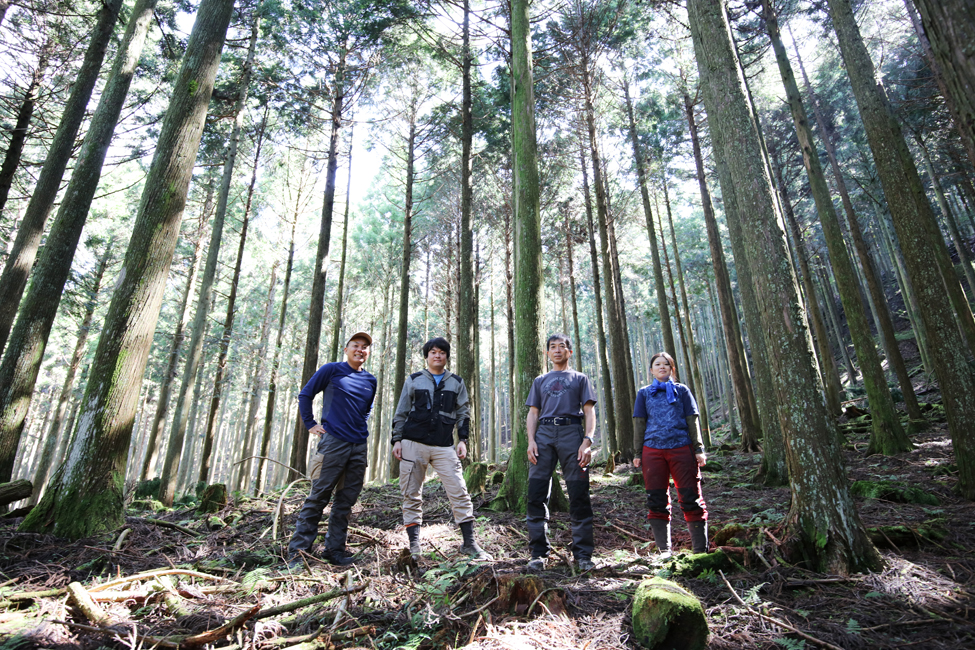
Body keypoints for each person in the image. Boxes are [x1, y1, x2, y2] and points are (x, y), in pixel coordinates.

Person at [392, 337, 491, 561]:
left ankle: (469, 543)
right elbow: (401, 412)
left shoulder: (456, 382)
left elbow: (463, 413)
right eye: (433, 352)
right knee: (411, 493)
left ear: (447, 356)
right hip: (412, 443)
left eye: (442, 352)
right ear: (426, 356)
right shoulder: (414, 380)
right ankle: (415, 545)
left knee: (459, 490)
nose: (438, 356)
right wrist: (396, 440)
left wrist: (463, 440)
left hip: (444, 445)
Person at [287, 332, 377, 567]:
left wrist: (358, 425)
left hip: (358, 445)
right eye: (356, 345)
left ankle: (334, 550)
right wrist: (311, 424)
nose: (360, 349)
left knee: (345, 501)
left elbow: (366, 409)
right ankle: (298, 553)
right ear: (346, 349)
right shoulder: (331, 369)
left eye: (365, 347)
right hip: (333, 442)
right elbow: (306, 394)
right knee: (318, 497)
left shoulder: (370, 380)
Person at [525, 334, 597, 572]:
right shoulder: (540, 380)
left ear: (570, 352)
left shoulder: (580, 378)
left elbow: (589, 411)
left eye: (562, 347)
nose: (557, 350)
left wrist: (587, 441)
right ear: (547, 353)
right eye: (553, 347)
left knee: (578, 493)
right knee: (536, 493)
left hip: (572, 434)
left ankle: (583, 555)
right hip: (544, 435)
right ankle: (538, 554)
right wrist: (531, 441)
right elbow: (533, 413)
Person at [632, 351, 708, 557]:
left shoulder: (682, 391)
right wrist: (637, 452)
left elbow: (692, 419)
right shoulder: (644, 393)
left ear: (672, 368)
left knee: (691, 497)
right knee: (656, 499)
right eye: (657, 364)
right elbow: (639, 423)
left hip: (682, 448)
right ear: (651, 370)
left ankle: (700, 551)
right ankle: (664, 551)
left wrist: (699, 449)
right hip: (652, 452)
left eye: (666, 364)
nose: (661, 367)